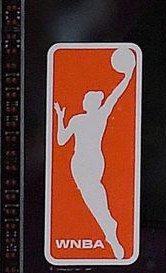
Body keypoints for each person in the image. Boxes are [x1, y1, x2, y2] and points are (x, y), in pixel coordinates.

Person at [54, 48, 135, 260]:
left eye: (88, 100)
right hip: (80, 162)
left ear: (92, 103)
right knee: (92, 195)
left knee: (94, 194)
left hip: (91, 161)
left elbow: (115, 96)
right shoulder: (79, 119)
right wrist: (59, 117)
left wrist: (128, 76)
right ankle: (109, 227)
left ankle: (110, 228)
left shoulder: (99, 116)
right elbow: (61, 140)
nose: (85, 102)